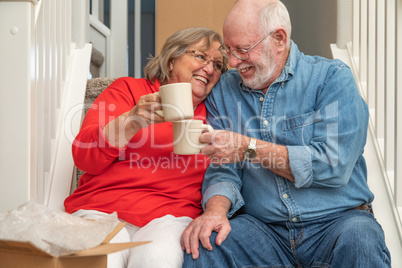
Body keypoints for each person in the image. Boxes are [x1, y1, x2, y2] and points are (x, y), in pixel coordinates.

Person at [181, 1, 391, 267]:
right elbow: (224, 168)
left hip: (338, 223)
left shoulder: (331, 79)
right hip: (263, 230)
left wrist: (249, 148)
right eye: (229, 50)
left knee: (361, 243)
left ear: (278, 39)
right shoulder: (225, 91)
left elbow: (333, 165)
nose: (233, 63)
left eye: (243, 50)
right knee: (207, 244)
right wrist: (215, 212)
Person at [64, 27, 228, 268]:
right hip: (102, 210)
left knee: (158, 258)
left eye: (218, 65)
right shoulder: (128, 90)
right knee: (101, 258)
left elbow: (228, 174)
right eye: (201, 56)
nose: (210, 69)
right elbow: (84, 158)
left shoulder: (217, 114)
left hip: (171, 219)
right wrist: (132, 120)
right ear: (172, 60)